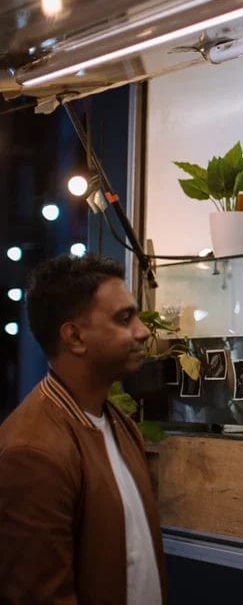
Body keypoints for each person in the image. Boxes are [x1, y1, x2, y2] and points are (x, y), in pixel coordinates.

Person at [0, 254, 165, 603]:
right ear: (74, 336)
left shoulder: (118, 423)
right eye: (124, 318)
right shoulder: (32, 451)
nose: (143, 330)